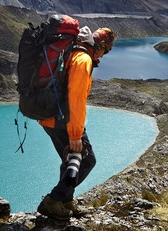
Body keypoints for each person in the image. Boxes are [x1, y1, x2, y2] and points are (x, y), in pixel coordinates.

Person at [36, 26, 115, 220]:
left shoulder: (74, 52)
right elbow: (76, 99)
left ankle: (66, 199)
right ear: (101, 45)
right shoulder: (83, 59)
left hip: (54, 116)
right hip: (62, 119)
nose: (103, 56)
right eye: (106, 50)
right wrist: (75, 135)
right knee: (87, 159)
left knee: (71, 160)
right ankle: (54, 200)